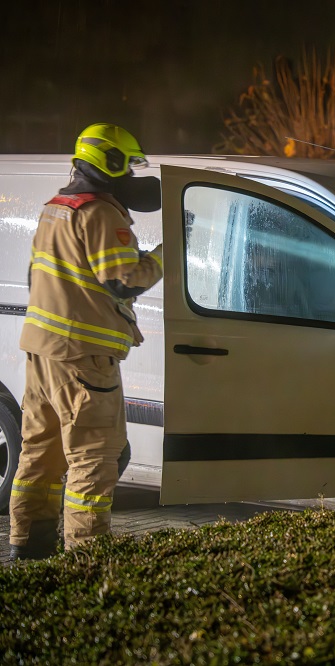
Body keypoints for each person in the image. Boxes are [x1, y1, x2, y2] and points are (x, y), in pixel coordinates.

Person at [8, 123, 164, 560]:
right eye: (128, 166)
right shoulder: (99, 214)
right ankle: (85, 559)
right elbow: (123, 280)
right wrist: (166, 256)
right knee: (94, 461)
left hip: (42, 356)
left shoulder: (54, 209)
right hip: (83, 362)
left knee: (39, 457)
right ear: (110, 162)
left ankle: (27, 547)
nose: (132, 177)